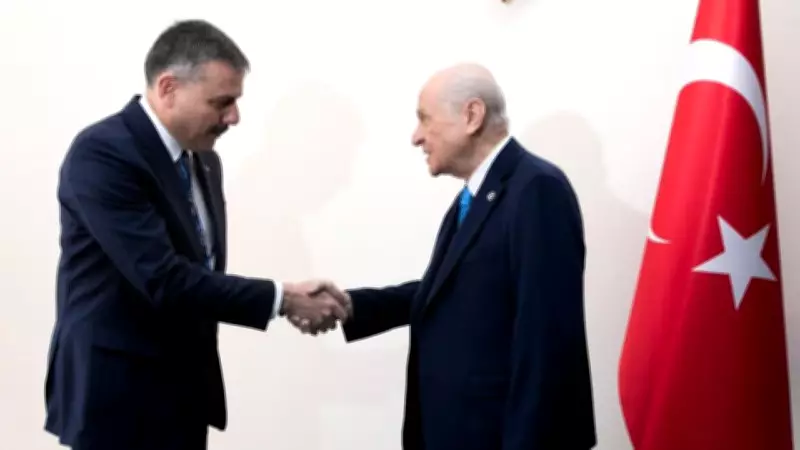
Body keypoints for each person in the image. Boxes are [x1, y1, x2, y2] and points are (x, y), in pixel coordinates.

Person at [43, 19, 350, 450]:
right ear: (168, 88)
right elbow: (164, 278)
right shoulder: (103, 153)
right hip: (117, 400)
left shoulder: (204, 160)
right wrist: (283, 299)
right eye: (222, 102)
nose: (234, 117)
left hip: (183, 395)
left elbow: (201, 270)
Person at [291, 64, 597, 449]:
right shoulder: (475, 197)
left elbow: (546, 341)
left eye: (425, 119)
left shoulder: (536, 189)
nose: (416, 137)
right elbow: (454, 291)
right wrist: (352, 306)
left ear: (472, 116)